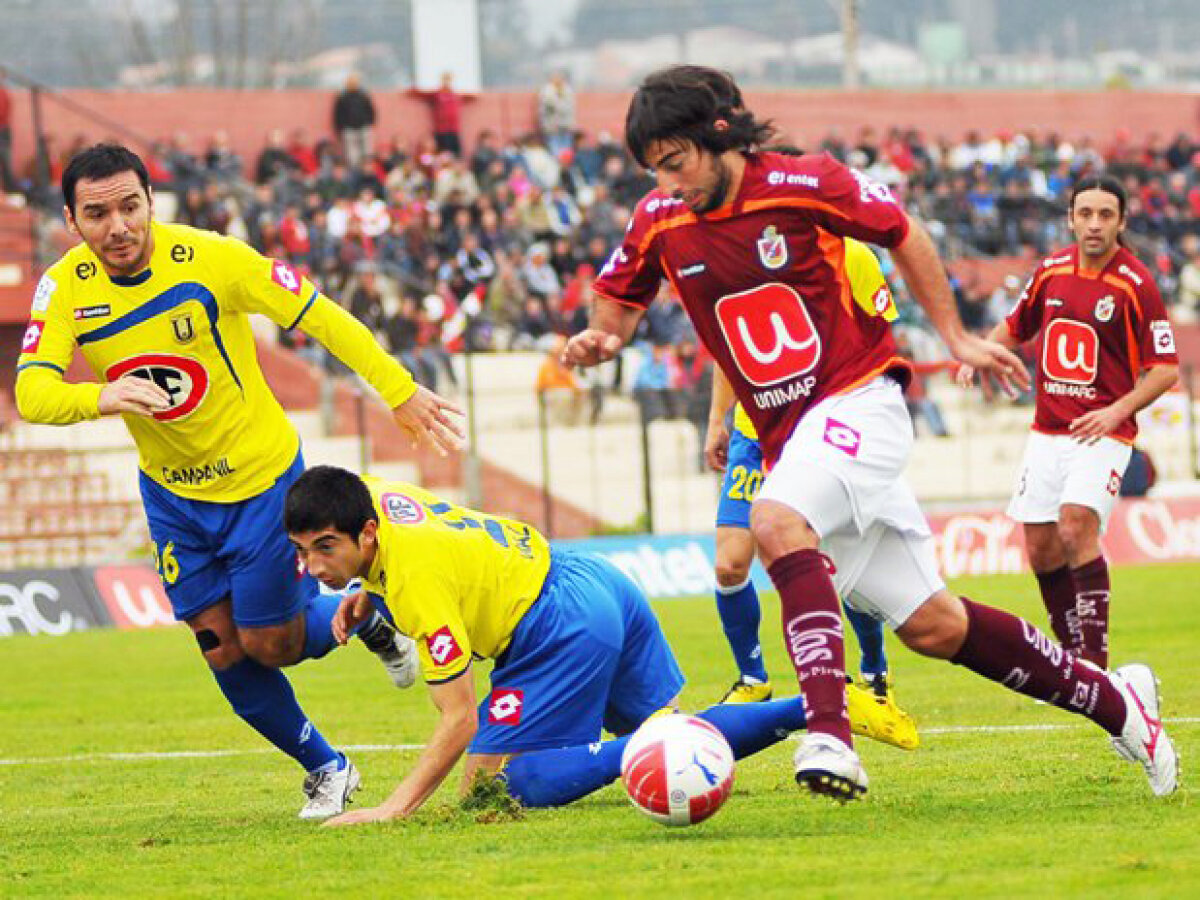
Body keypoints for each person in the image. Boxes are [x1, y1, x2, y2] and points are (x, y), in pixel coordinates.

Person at [563, 66, 1176, 800]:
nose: (669, 183)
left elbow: (902, 231)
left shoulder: (802, 182)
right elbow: (618, 298)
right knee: (936, 627)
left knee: (774, 521)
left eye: (676, 162)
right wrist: (603, 338)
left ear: (717, 134)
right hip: (796, 442)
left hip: (861, 401)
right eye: (655, 170)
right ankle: (1121, 707)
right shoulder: (660, 218)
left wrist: (955, 336)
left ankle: (830, 735)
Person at [15, 144, 465, 819]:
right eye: (98, 214)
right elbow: (32, 391)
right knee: (220, 647)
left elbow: (319, 314)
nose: (118, 227)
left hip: (260, 483)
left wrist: (398, 391)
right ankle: (327, 768)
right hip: (172, 496)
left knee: (270, 644)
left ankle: (366, 613)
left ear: (151, 201)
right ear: (72, 220)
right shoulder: (64, 287)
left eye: (130, 206)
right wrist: (99, 396)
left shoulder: (214, 259)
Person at [283, 466, 905, 825]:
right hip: (592, 578)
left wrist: (393, 809)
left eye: (326, 549)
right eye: (303, 552)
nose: (312, 567)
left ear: (367, 533)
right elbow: (409, 548)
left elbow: (458, 718)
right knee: (679, 736)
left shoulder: (415, 580)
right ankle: (824, 705)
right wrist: (367, 588)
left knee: (493, 789)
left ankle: (653, 744)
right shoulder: (368, 494)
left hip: (554, 626)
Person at [706, 237, 918, 752]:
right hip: (755, 433)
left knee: (839, 567)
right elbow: (726, 346)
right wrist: (717, 419)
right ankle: (753, 679)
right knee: (730, 565)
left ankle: (874, 673)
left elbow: (877, 338)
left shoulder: (854, 256)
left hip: (821, 428)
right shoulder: (739, 252)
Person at [958, 177, 1179, 669]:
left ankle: (1094, 664)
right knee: (1040, 548)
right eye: (1085, 214)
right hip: (1047, 432)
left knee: (1076, 526)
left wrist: (1117, 410)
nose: (1094, 224)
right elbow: (1015, 325)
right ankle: (1073, 662)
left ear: (1121, 221)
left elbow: (1165, 369)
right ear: (1071, 219)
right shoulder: (1052, 269)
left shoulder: (1136, 283)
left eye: (1105, 215)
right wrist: (980, 353)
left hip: (1102, 432)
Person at [332, 74, 377, 170]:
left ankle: (367, 170)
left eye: (355, 82)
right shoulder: (342, 96)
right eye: (351, 82)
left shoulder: (363, 95)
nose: (353, 84)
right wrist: (340, 127)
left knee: (367, 152)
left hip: (363, 127)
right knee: (352, 155)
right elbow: (338, 113)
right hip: (349, 129)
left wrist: (369, 122)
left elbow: (370, 110)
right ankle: (355, 171)